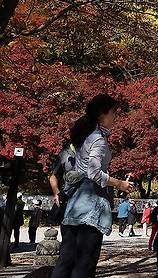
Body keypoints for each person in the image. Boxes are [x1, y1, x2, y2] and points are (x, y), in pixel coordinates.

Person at [51, 93, 134, 278]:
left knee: (66, 261)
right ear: (101, 114)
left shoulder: (85, 135)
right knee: (85, 263)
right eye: (113, 112)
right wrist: (119, 183)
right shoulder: (98, 138)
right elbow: (94, 172)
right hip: (91, 206)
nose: (115, 116)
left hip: (74, 206)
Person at [48, 143, 77, 226]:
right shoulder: (65, 154)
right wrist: (56, 192)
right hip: (69, 196)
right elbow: (53, 175)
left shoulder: (94, 150)